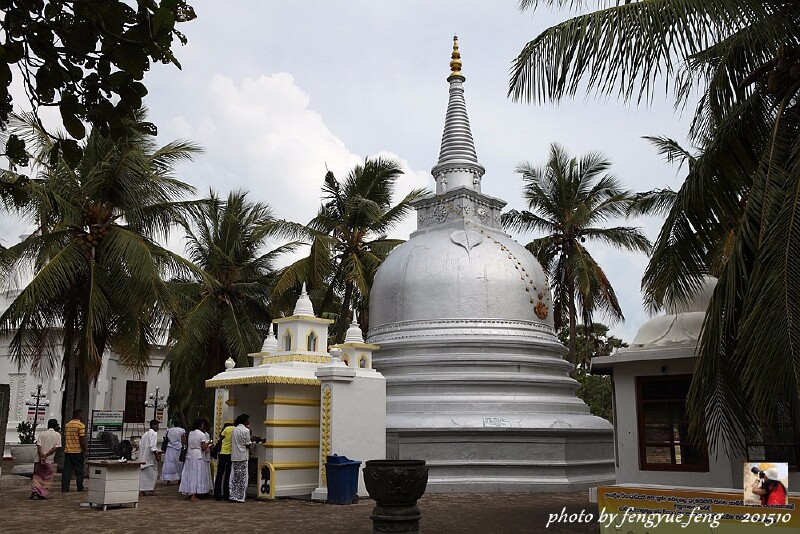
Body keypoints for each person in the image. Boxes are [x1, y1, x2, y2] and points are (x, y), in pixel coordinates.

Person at [179, 418, 211, 501]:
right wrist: (208, 444)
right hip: (198, 456)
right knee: (197, 474)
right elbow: (203, 447)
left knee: (189, 474)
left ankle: (190, 492)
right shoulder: (201, 434)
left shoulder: (191, 433)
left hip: (190, 455)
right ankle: (194, 494)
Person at [30, 419, 61, 499]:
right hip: (49, 459)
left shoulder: (42, 434)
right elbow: (56, 447)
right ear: (56, 426)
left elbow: (38, 445)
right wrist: (46, 455)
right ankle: (43, 493)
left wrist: (41, 455)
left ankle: (35, 490)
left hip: (39, 459)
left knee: (37, 475)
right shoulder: (57, 435)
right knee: (47, 476)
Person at [229, 414, 254, 503]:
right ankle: (240, 496)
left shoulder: (234, 430)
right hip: (243, 456)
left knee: (234, 477)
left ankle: (233, 495)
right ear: (245, 421)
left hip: (235, 456)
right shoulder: (246, 430)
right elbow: (248, 444)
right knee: (243, 477)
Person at [62, 409, 86, 492]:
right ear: (78, 416)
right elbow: (82, 439)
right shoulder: (80, 425)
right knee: (79, 471)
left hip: (68, 451)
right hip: (77, 451)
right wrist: (84, 450)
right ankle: (80, 487)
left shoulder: (67, 425)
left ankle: (65, 488)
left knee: (67, 471)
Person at [138, 419, 161, 496]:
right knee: (153, 474)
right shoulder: (153, 433)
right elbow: (152, 446)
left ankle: (142, 490)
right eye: (157, 425)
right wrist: (156, 455)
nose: (158, 427)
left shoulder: (145, 434)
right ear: (153, 426)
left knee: (144, 474)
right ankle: (150, 489)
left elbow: (140, 444)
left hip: (143, 457)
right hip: (149, 458)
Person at [213, 422, 234, 501]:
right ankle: (226, 494)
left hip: (222, 454)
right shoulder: (233, 430)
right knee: (228, 475)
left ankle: (217, 494)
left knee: (219, 474)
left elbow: (219, 441)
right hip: (229, 454)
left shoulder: (223, 433)